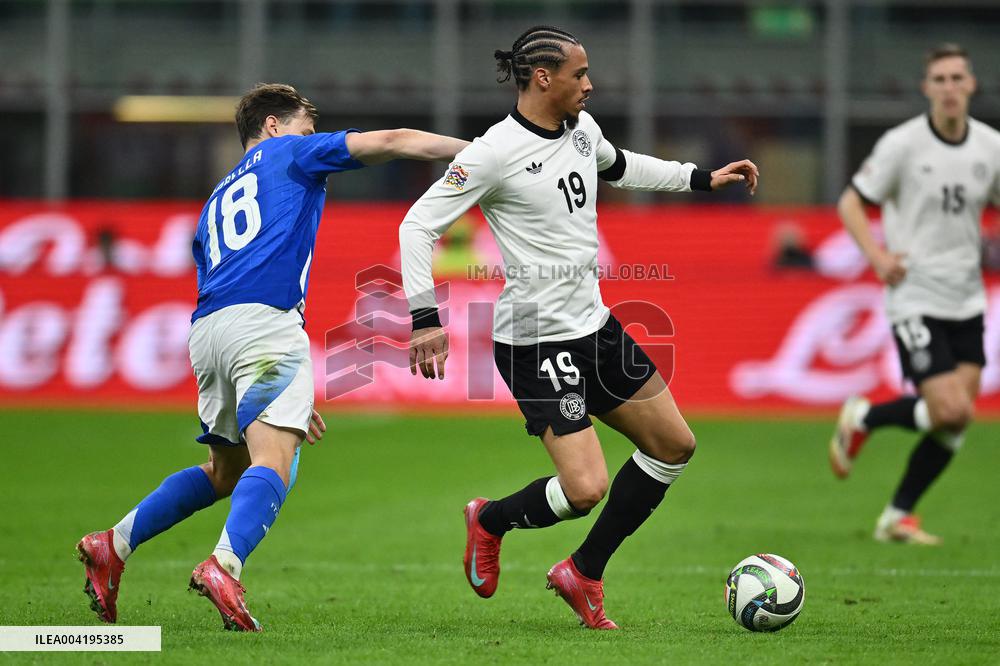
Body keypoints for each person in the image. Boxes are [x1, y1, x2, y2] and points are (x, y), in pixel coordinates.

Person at [398, 26, 757, 629]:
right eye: (579, 74)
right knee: (585, 488)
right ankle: (490, 520)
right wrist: (424, 318)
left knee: (674, 446)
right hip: (535, 340)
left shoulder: (581, 130)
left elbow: (622, 166)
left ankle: (583, 572)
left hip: (595, 326)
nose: (589, 85)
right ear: (543, 77)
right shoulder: (493, 152)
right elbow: (417, 226)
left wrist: (702, 178)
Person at [76, 83, 468, 631]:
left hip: (210, 331)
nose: (315, 139)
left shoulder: (216, 196)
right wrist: (476, 152)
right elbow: (396, 139)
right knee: (275, 463)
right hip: (264, 325)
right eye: (307, 127)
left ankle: (112, 542)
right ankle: (223, 565)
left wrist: (273, 388)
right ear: (273, 127)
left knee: (225, 472)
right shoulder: (289, 151)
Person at [829, 44, 1000, 545]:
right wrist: (879, 259)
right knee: (949, 411)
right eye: (940, 79)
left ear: (971, 84)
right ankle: (867, 417)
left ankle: (895, 516)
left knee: (955, 423)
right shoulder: (902, 145)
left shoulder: (990, 146)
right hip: (915, 293)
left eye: (957, 78)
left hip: (967, 297)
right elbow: (851, 203)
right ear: (927, 88)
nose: (949, 88)